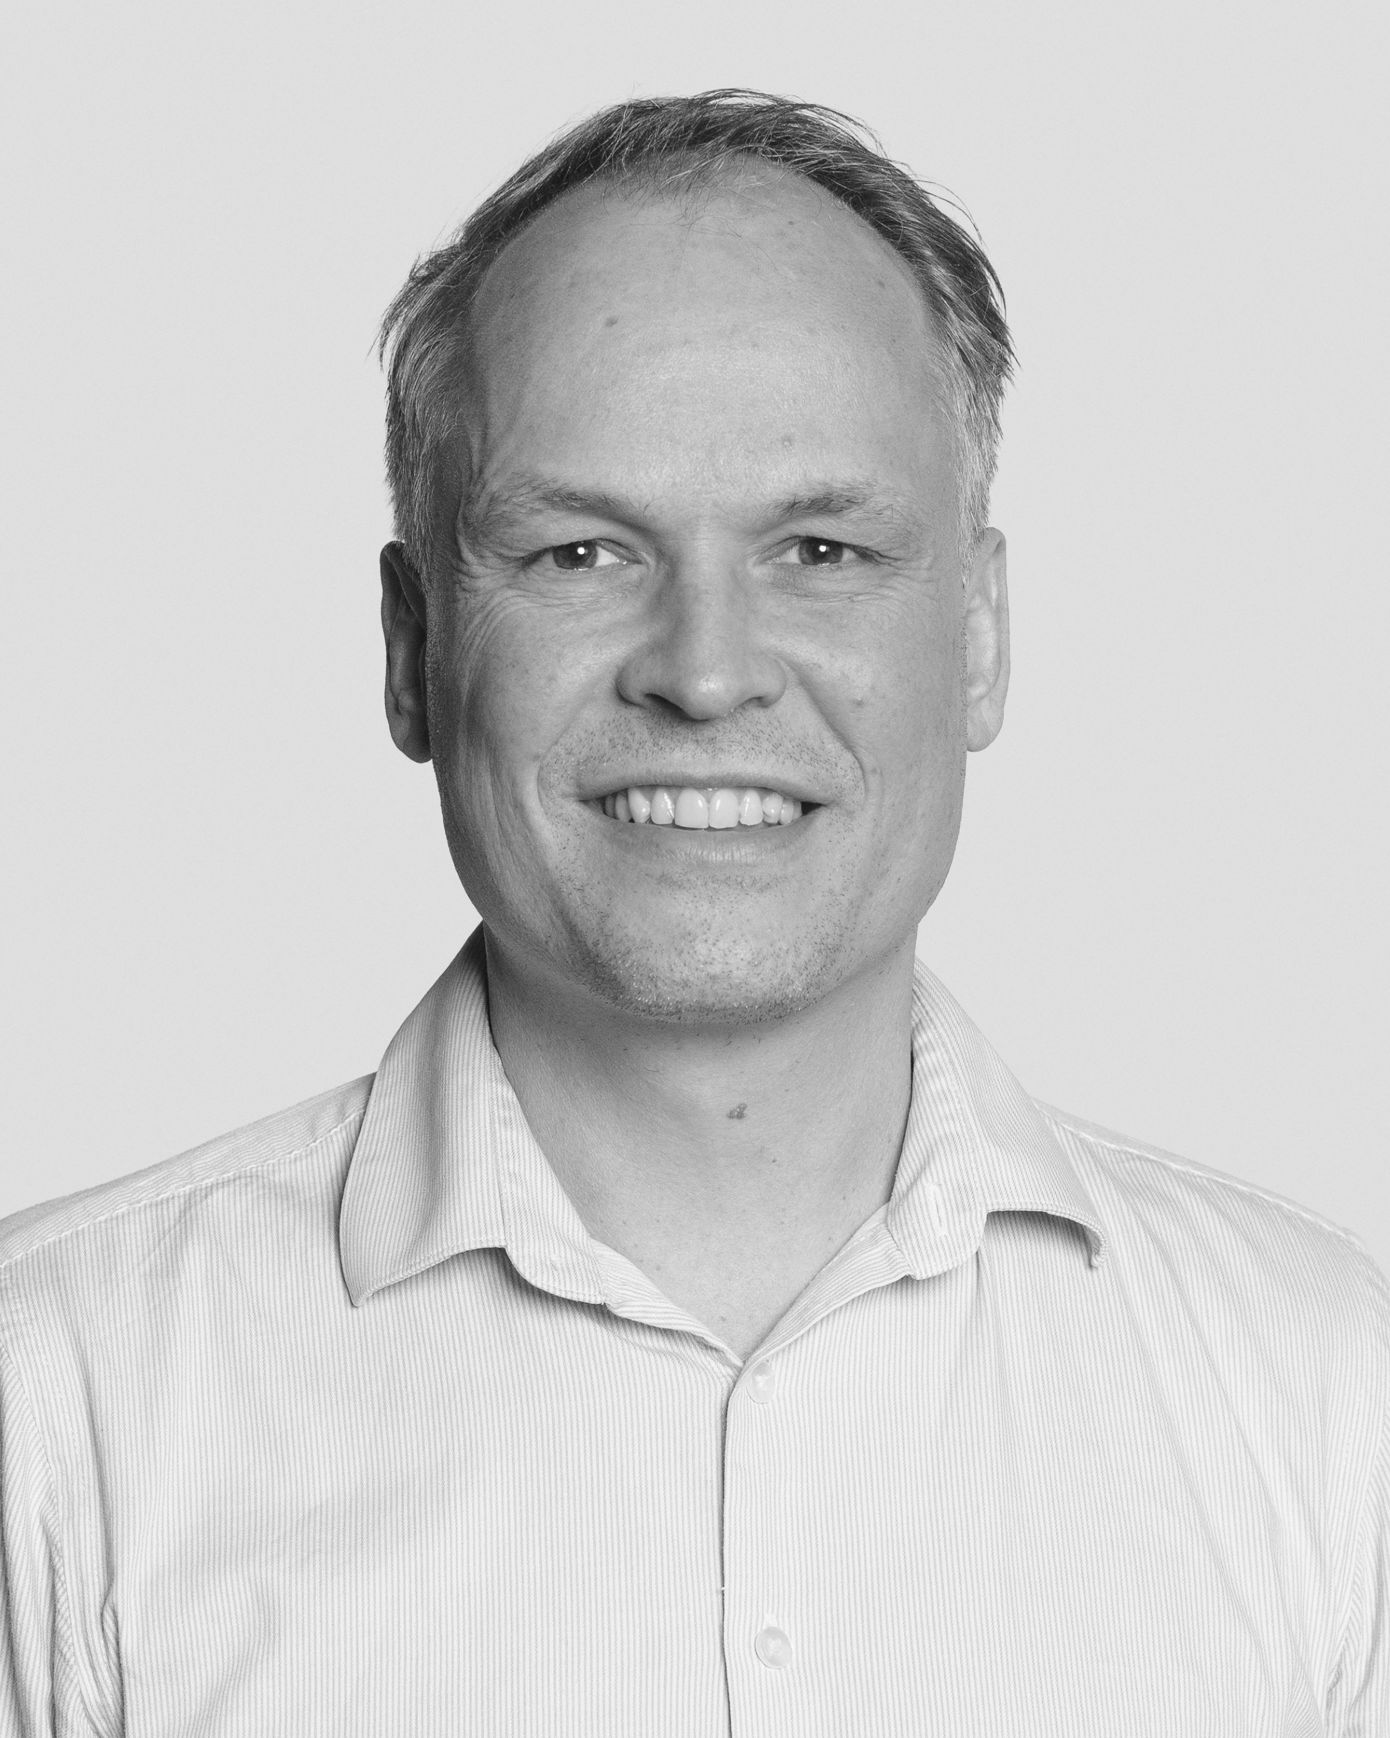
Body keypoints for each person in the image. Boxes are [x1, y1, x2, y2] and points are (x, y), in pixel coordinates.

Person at [0, 89, 1384, 1737]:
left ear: (980, 636)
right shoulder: (55, 1403)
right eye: (582, 552)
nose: (707, 671)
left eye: (821, 547)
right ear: (411, 649)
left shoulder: (1323, 1401)